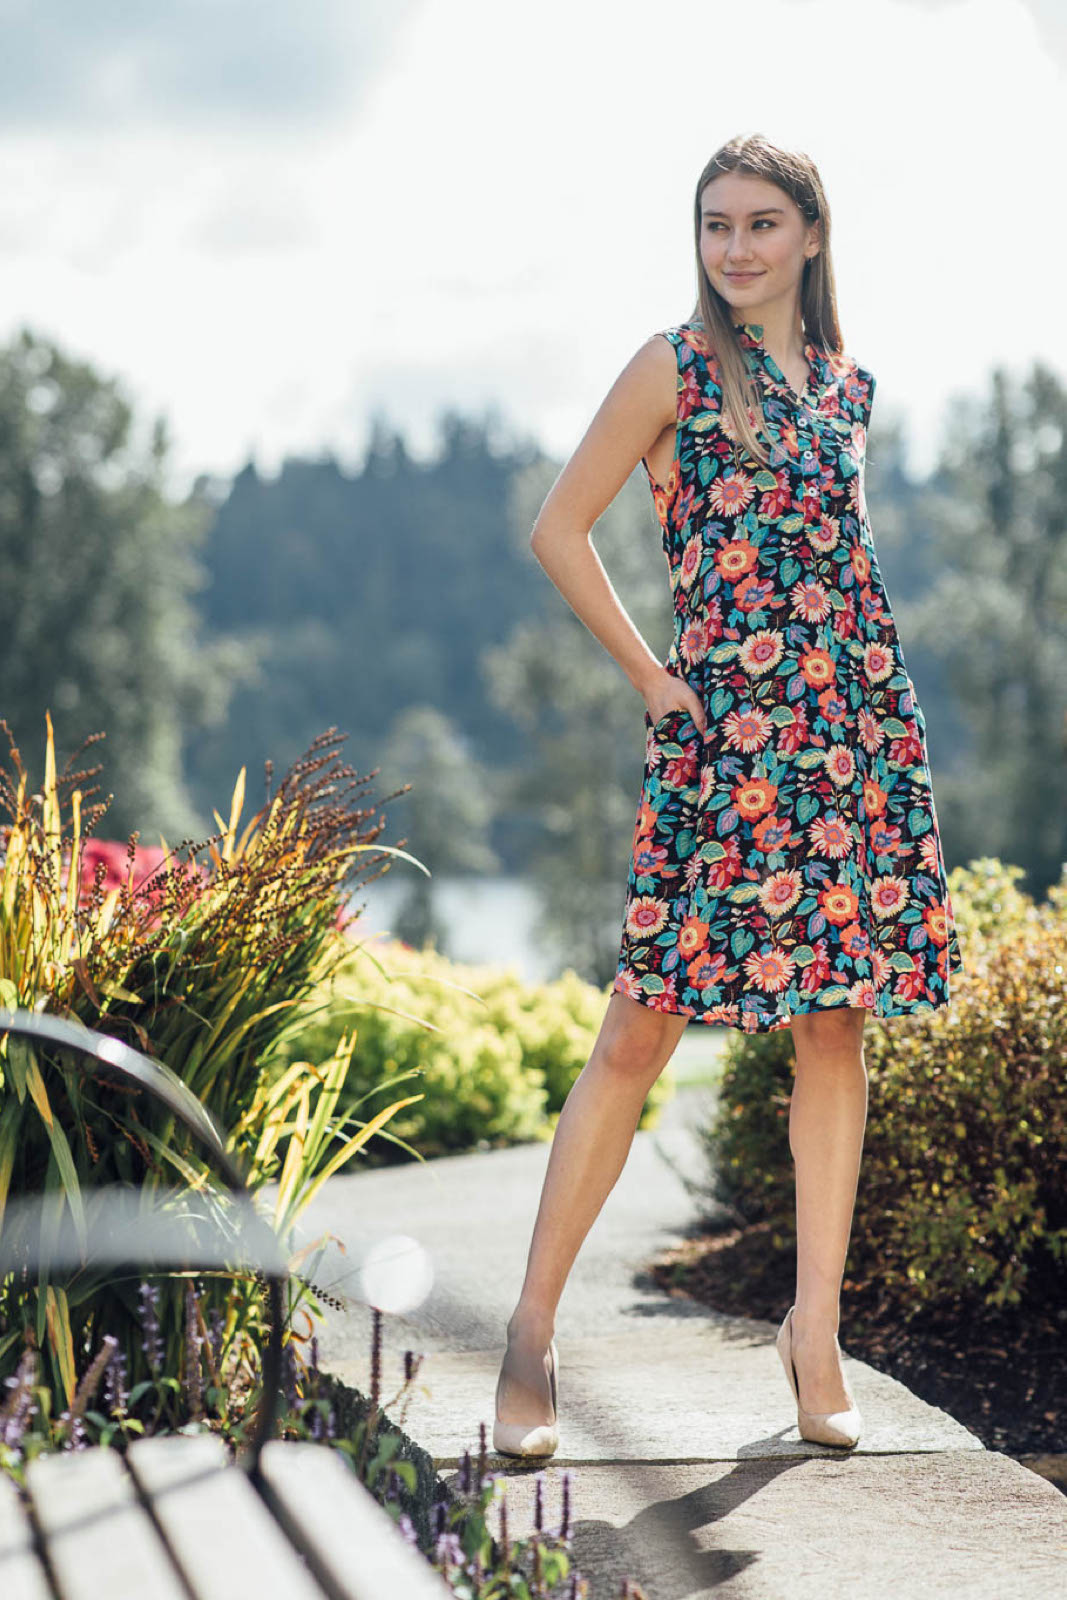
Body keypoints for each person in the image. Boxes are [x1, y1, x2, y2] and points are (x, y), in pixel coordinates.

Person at [492, 133, 964, 1459]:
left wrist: (867, 721)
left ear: (812, 234)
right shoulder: (675, 367)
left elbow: (840, 576)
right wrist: (654, 676)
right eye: (717, 225)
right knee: (637, 1034)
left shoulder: (849, 389)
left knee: (834, 1028)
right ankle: (530, 1333)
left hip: (848, 738)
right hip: (723, 744)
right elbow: (558, 527)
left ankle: (815, 1333)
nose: (737, 247)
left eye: (762, 223)